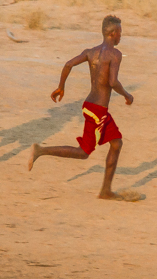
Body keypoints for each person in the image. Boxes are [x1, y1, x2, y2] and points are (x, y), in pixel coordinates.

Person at [28, 15, 134, 200]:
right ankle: (105, 191)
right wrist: (127, 95)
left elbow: (68, 64)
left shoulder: (90, 52)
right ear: (113, 33)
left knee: (100, 147)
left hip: (88, 105)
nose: (121, 36)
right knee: (101, 147)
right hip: (99, 110)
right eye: (120, 33)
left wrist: (61, 87)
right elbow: (113, 81)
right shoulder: (115, 54)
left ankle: (42, 151)